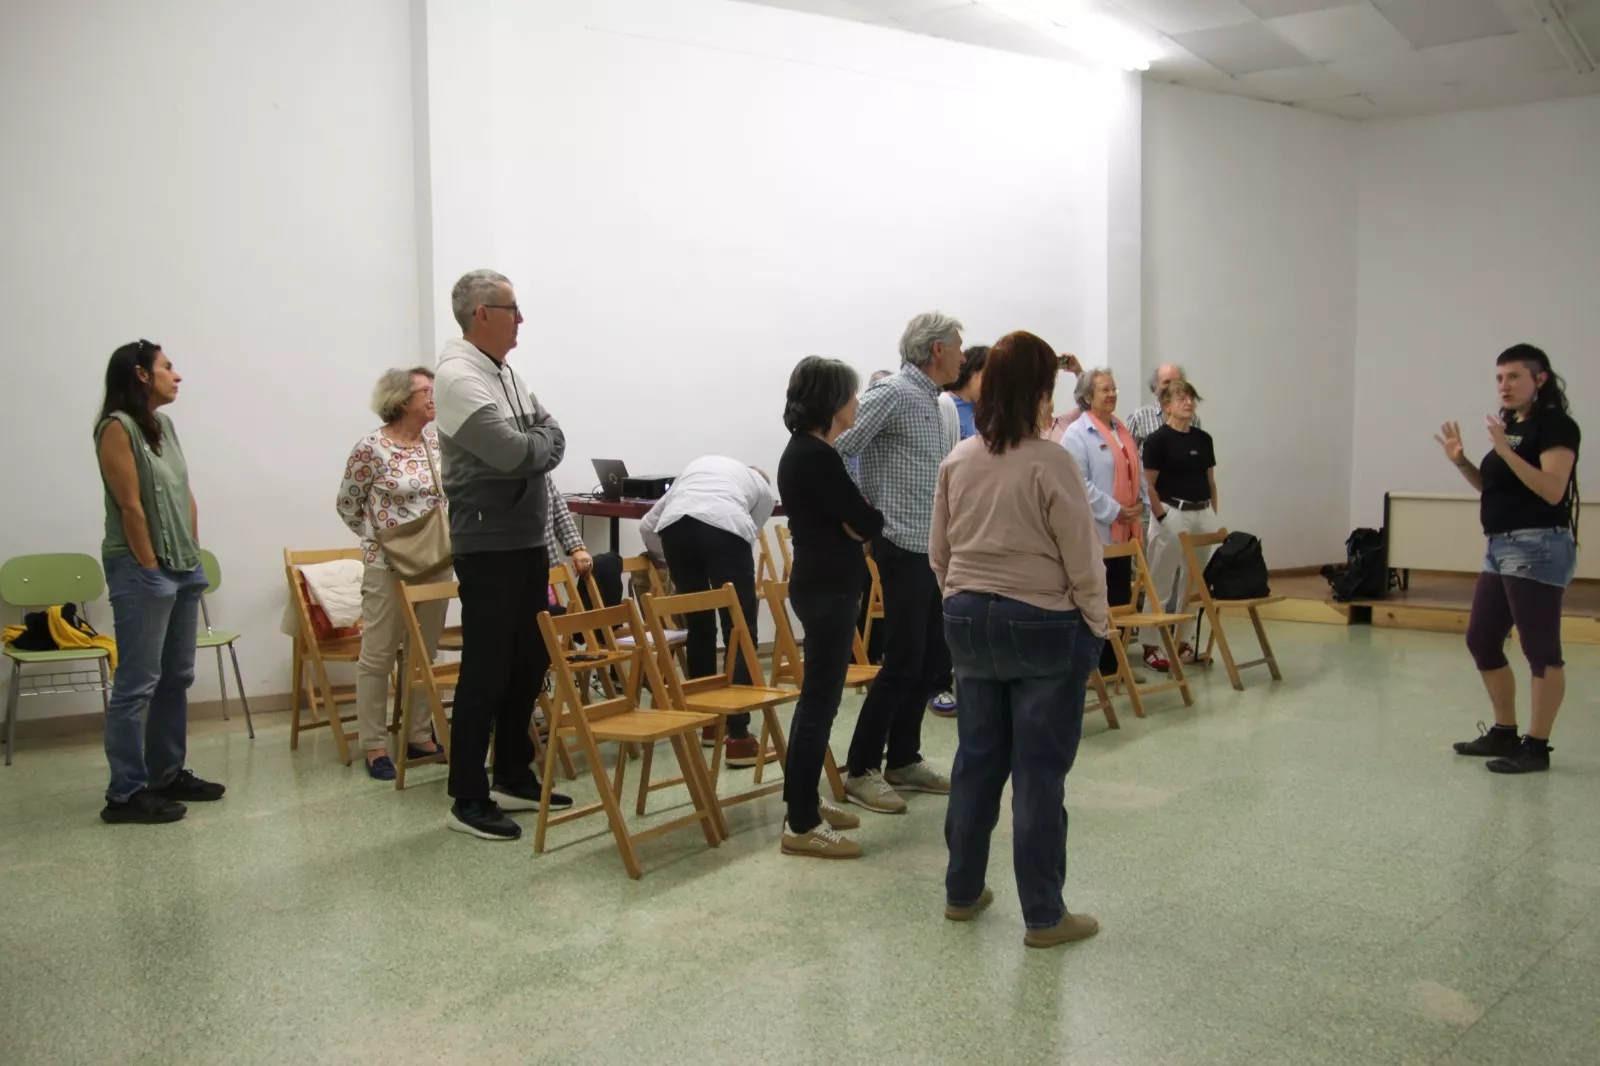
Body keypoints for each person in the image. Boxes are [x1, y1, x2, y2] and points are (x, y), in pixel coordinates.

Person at [933, 330, 1108, 949]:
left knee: (977, 761)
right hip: (1041, 624)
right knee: (1037, 772)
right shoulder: (1050, 461)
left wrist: (963, 602)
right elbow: (1083, 558)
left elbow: (939, 553)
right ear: (1039, 391)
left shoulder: (959, 459)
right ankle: (1044, 916)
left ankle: (961, 892)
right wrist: (1096, 624)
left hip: (966, 619)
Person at [433, 269, 572, 840]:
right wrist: (540, 441)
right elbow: (516, 452)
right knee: (487, 669)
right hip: (488, 544)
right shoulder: (457, 377)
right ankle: (467, 797)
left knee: (529, 661)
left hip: (527, 538)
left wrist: (539, 441)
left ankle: (513, 773)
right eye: (513, 309)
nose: (522, 319)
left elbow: (551, 436)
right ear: (482, 314)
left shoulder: (505, 372)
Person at [833, 311, 964, 813]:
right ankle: (861, 768)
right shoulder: (892, 393)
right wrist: (861, 510)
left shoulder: (932, 400)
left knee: (931, 659)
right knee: (904, 659)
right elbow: (838, 448)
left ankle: (903, 758)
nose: (962, 355)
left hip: (931, 548)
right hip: (900, 543)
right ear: (937, 349)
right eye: (957, 346)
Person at [93, 340, 223, 824]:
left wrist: (190, 552)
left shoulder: (163, 426)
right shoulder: (116, 427)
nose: (177, 375)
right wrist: (149, 565)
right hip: (140, 568)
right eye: (168, 367)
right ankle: (125, 794)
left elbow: (184, 493)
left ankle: (165, 774)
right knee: (137, 683)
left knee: (176, 676)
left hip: (182, 564)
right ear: (142, 375)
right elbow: (130, 504)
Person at [1439, 344, 1580, 774]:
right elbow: (1495, 488)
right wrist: (1462, 462)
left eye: (1515, 376)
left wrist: (1504, 451)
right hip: (1499, 547)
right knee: (1482, 639)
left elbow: (1552, 489)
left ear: (1540, 379)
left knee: (1541, 651)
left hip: (1537, 545)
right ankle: (1504, 731)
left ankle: (1536, 746)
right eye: (1499, 378)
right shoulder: (1512, 427)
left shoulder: (1556, 426)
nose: (1504, 385)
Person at [776, 356, 885, 859]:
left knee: (817, 702)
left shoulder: (808, 451)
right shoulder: (818, 456)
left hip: (822, 583)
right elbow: (865, 522)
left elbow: (854, 521)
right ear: (832, 401)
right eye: (851, 394)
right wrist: (860, 522)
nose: (857, 402)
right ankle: (801, 824)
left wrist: (856, 522)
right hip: (827, 588)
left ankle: (801, 802)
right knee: (819, 703)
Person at [335, 367, 450, 781]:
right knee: (379, 655)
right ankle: (374, 744)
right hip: (386, 565)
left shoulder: (436, 443)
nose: (433, 398)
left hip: (436, 561)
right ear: (401, 400)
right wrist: (380, 539)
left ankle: (418, 734)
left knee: (424, 653)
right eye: (425, 392)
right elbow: (348, 505)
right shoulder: (371, 448)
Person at [640, 456, 774, 769]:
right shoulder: (763, 489)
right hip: (725, 527)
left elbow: (647, 525)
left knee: (699, 628)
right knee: (739, 628)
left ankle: (710, 725)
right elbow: (749, 531)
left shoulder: (697, 470)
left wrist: (665, 559)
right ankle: (739, 737)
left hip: (675, 531)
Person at [1061, 368, 1149, 679]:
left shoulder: (1121, 430)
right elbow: (1078, 483)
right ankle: (1096, 668)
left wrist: (1141, 504)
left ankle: (1116, 665)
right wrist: (1114, 511)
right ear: (1087, 397)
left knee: (1120, 598)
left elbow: (1135, 471)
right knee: (1099, 601)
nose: (1112, 394)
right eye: (1104, 390)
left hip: (1124, 533)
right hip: (1097, 531)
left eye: (1114, 389)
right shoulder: (1076, 434)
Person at [927, 345, 990, 718]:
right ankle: (939, 682)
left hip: (985, 518)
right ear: (974, 373)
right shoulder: (946, 406)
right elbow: (945, 464)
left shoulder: (988, 412)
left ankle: (972, 678)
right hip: (956, 518)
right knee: (947, 601)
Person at [1139, 379, 1218, 671]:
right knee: (1161, 581)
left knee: (1194, 581)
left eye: (1190, 398)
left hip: (1201, 513)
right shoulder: (1157, 440)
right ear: (1166, 405)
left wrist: (1212, 513)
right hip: (1172, 512)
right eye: (1181, 398)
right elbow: (1148, 484)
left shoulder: (1203, 439)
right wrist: (1161, 516)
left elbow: (1211, 481)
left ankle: (1185, 640)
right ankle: (1150, 644)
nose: (1188, 403)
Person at [1126, 363, 1201, 452]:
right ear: (1156, 386)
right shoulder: (1139, 417)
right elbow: (1126, 454)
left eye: (1177, 382)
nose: (1172, 386)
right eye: (1167, 382)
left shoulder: (1193, 418)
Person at [1042, 353, 1085, 443]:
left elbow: (1087, 403)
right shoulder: (1028, 431)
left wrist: (1078, 372)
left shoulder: (1063, 421)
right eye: (1042, 397)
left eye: (1048, 396)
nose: (1047, 399)